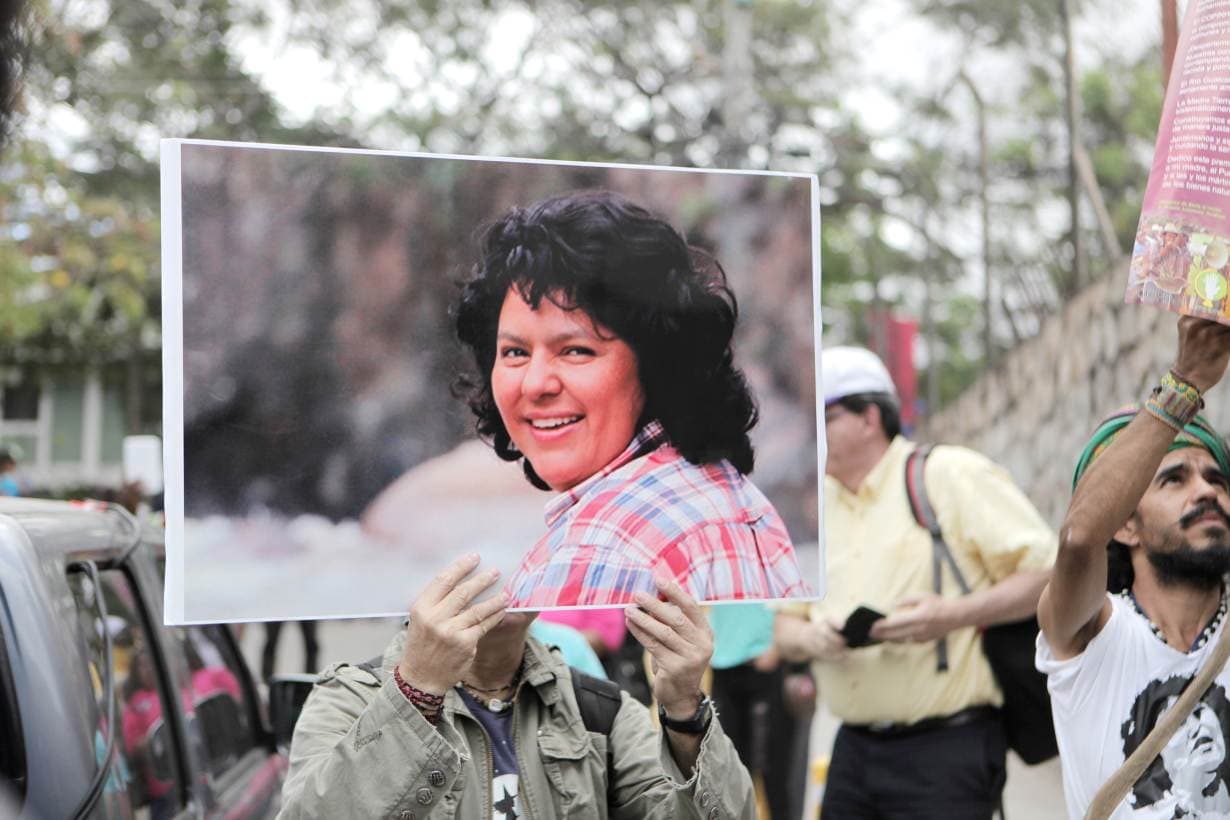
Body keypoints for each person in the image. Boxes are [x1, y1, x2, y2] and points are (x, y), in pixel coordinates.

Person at [453, 189, 811, 608]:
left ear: (656, 361)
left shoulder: (597, 554)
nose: (535, 384)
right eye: (515, 352)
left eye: (575, 351)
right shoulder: (740, 500)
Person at [774, 345, 1056, 819]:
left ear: (869, 417)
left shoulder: (948, 474)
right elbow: (784, 627)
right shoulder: (813, 509)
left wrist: (952, 616)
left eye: (821, 416)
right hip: (853, 750)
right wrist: (812, 636)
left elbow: (1050, 574)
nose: (808, 432)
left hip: (947, 750)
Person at [279, 553, 757, 818]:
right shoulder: (350, 700)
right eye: (475, 544)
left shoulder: (597, 709)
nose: (502, 565)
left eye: (520, 542)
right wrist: (417, 693)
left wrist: (684, 711)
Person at [1036, 316, 1230, 818]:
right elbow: (1079, 539)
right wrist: (1184, 384)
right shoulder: (1089, 638)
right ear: (1125, 526)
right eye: (1174, 480)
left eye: (1216, 477)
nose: (1207, 491)